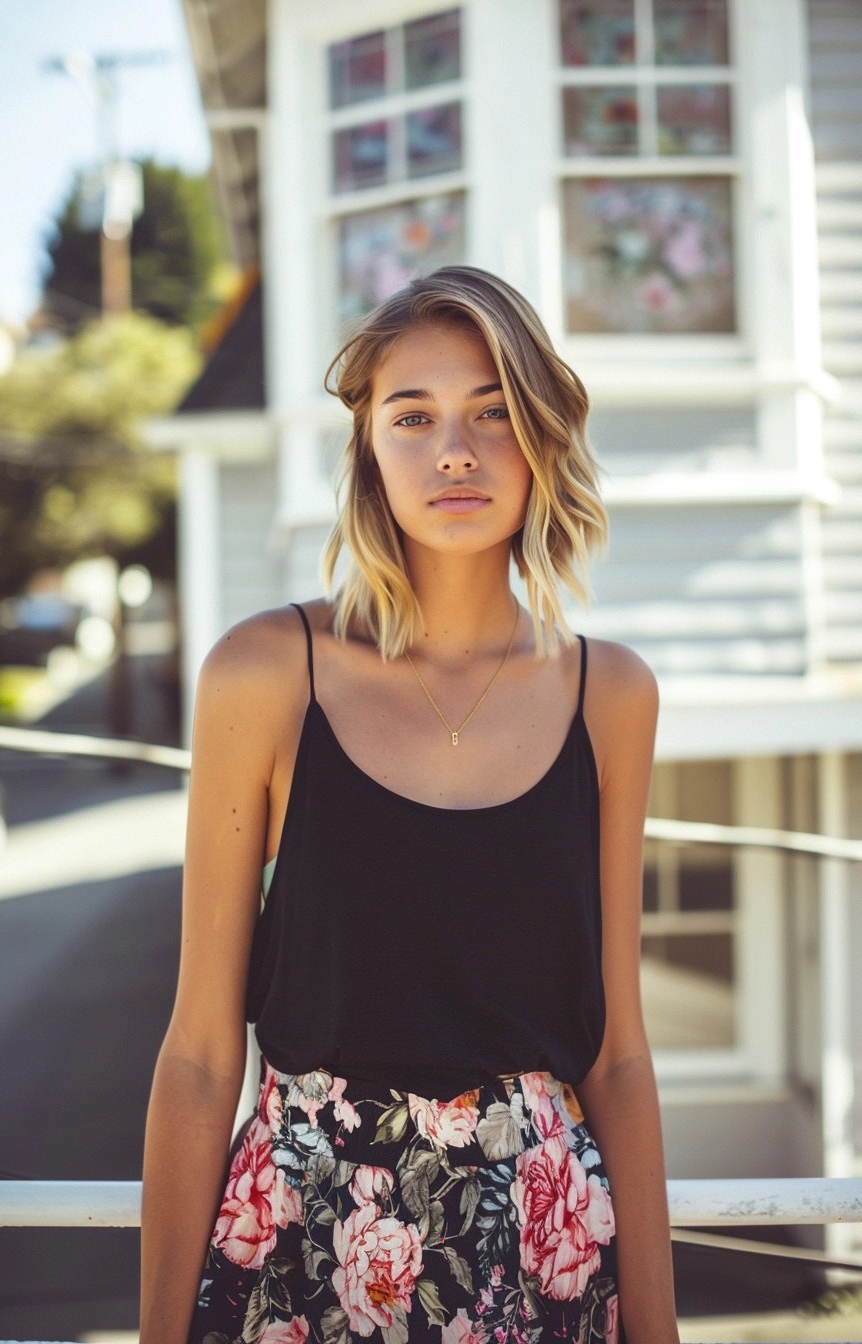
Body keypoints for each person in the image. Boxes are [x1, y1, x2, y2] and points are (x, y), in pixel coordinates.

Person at [140, 266, 680, 1344]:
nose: (453, 450)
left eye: (492, 412)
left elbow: (615, 1051)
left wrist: (657, 1331)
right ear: (368, 451)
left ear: (540, 439)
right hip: (299, 1239)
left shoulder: (609, 694)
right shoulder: (263, 672)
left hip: (543, 1248)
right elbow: (202, 1050)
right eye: (412, 416)